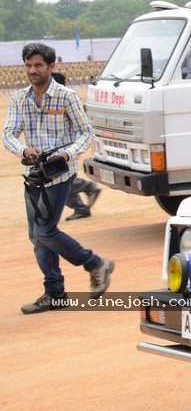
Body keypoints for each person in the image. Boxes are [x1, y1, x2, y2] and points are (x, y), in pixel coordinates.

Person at [3, 43, 115, 314]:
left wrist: (67, 154)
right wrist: (24, 150)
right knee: (37, 237)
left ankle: (95, 263)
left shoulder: (67, 97)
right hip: (33, 176)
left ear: (51, 67)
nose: (32, 70)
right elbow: (8, 134)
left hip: (60, 175)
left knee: (44, 231)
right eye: (28, 65)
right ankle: (55, 293)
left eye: (38, 65)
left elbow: (86, 134)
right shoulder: (20, 98)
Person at [46, 72, 102, 221]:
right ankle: (80, 208)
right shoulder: (57, 100)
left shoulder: (65, 100)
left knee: (60, 181)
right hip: (60, 147)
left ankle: (88, 187)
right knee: (61, 179)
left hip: (65, 148)